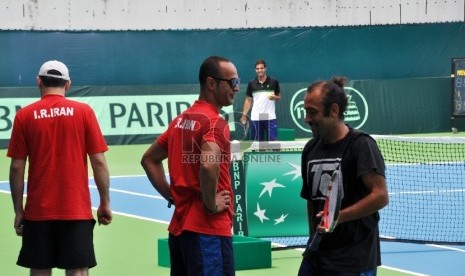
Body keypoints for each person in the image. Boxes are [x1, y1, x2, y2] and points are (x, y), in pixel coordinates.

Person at [7, 60, 112, 276]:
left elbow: (17, 167)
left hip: (38, 212)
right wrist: (105, 202)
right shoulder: (84, 112)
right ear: (68, 84)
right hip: (76, 210)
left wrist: (19, 210)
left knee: (39, 271)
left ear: (39, 82)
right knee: (77, 272)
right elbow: (99, 161)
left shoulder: (24, 116)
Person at [141, 56, 239, 276]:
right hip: (208, 231)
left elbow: (148, 160)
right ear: (212, 83)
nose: (237, 87)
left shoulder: (180, 121)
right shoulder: (215, 122)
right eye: (232, 82)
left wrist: (172, 196)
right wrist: (210, 204)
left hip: (180, 230)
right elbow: (207, 164)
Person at [299, 77, 389, 275]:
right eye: (305, 111)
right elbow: (310, 201)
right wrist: (312, 238)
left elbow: (380, 195)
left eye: (312, 112)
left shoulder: (361, 145)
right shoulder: (310, 149)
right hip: (316, 258)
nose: (306, 118)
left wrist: (338, 217)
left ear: (333, 111)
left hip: (353, 261)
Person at [240, 59, 281, 141]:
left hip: (270, 116)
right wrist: (244, 115)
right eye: (257, 69)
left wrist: (274, 97)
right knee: (259, 145)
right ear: (255, 70)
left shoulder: (274, 82)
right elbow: (248, 100)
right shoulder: (251, 83)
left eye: (261, 68)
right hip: (256, 117)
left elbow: (279, 97)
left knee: (274, 144)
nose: (260, 70)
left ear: (265, 68)